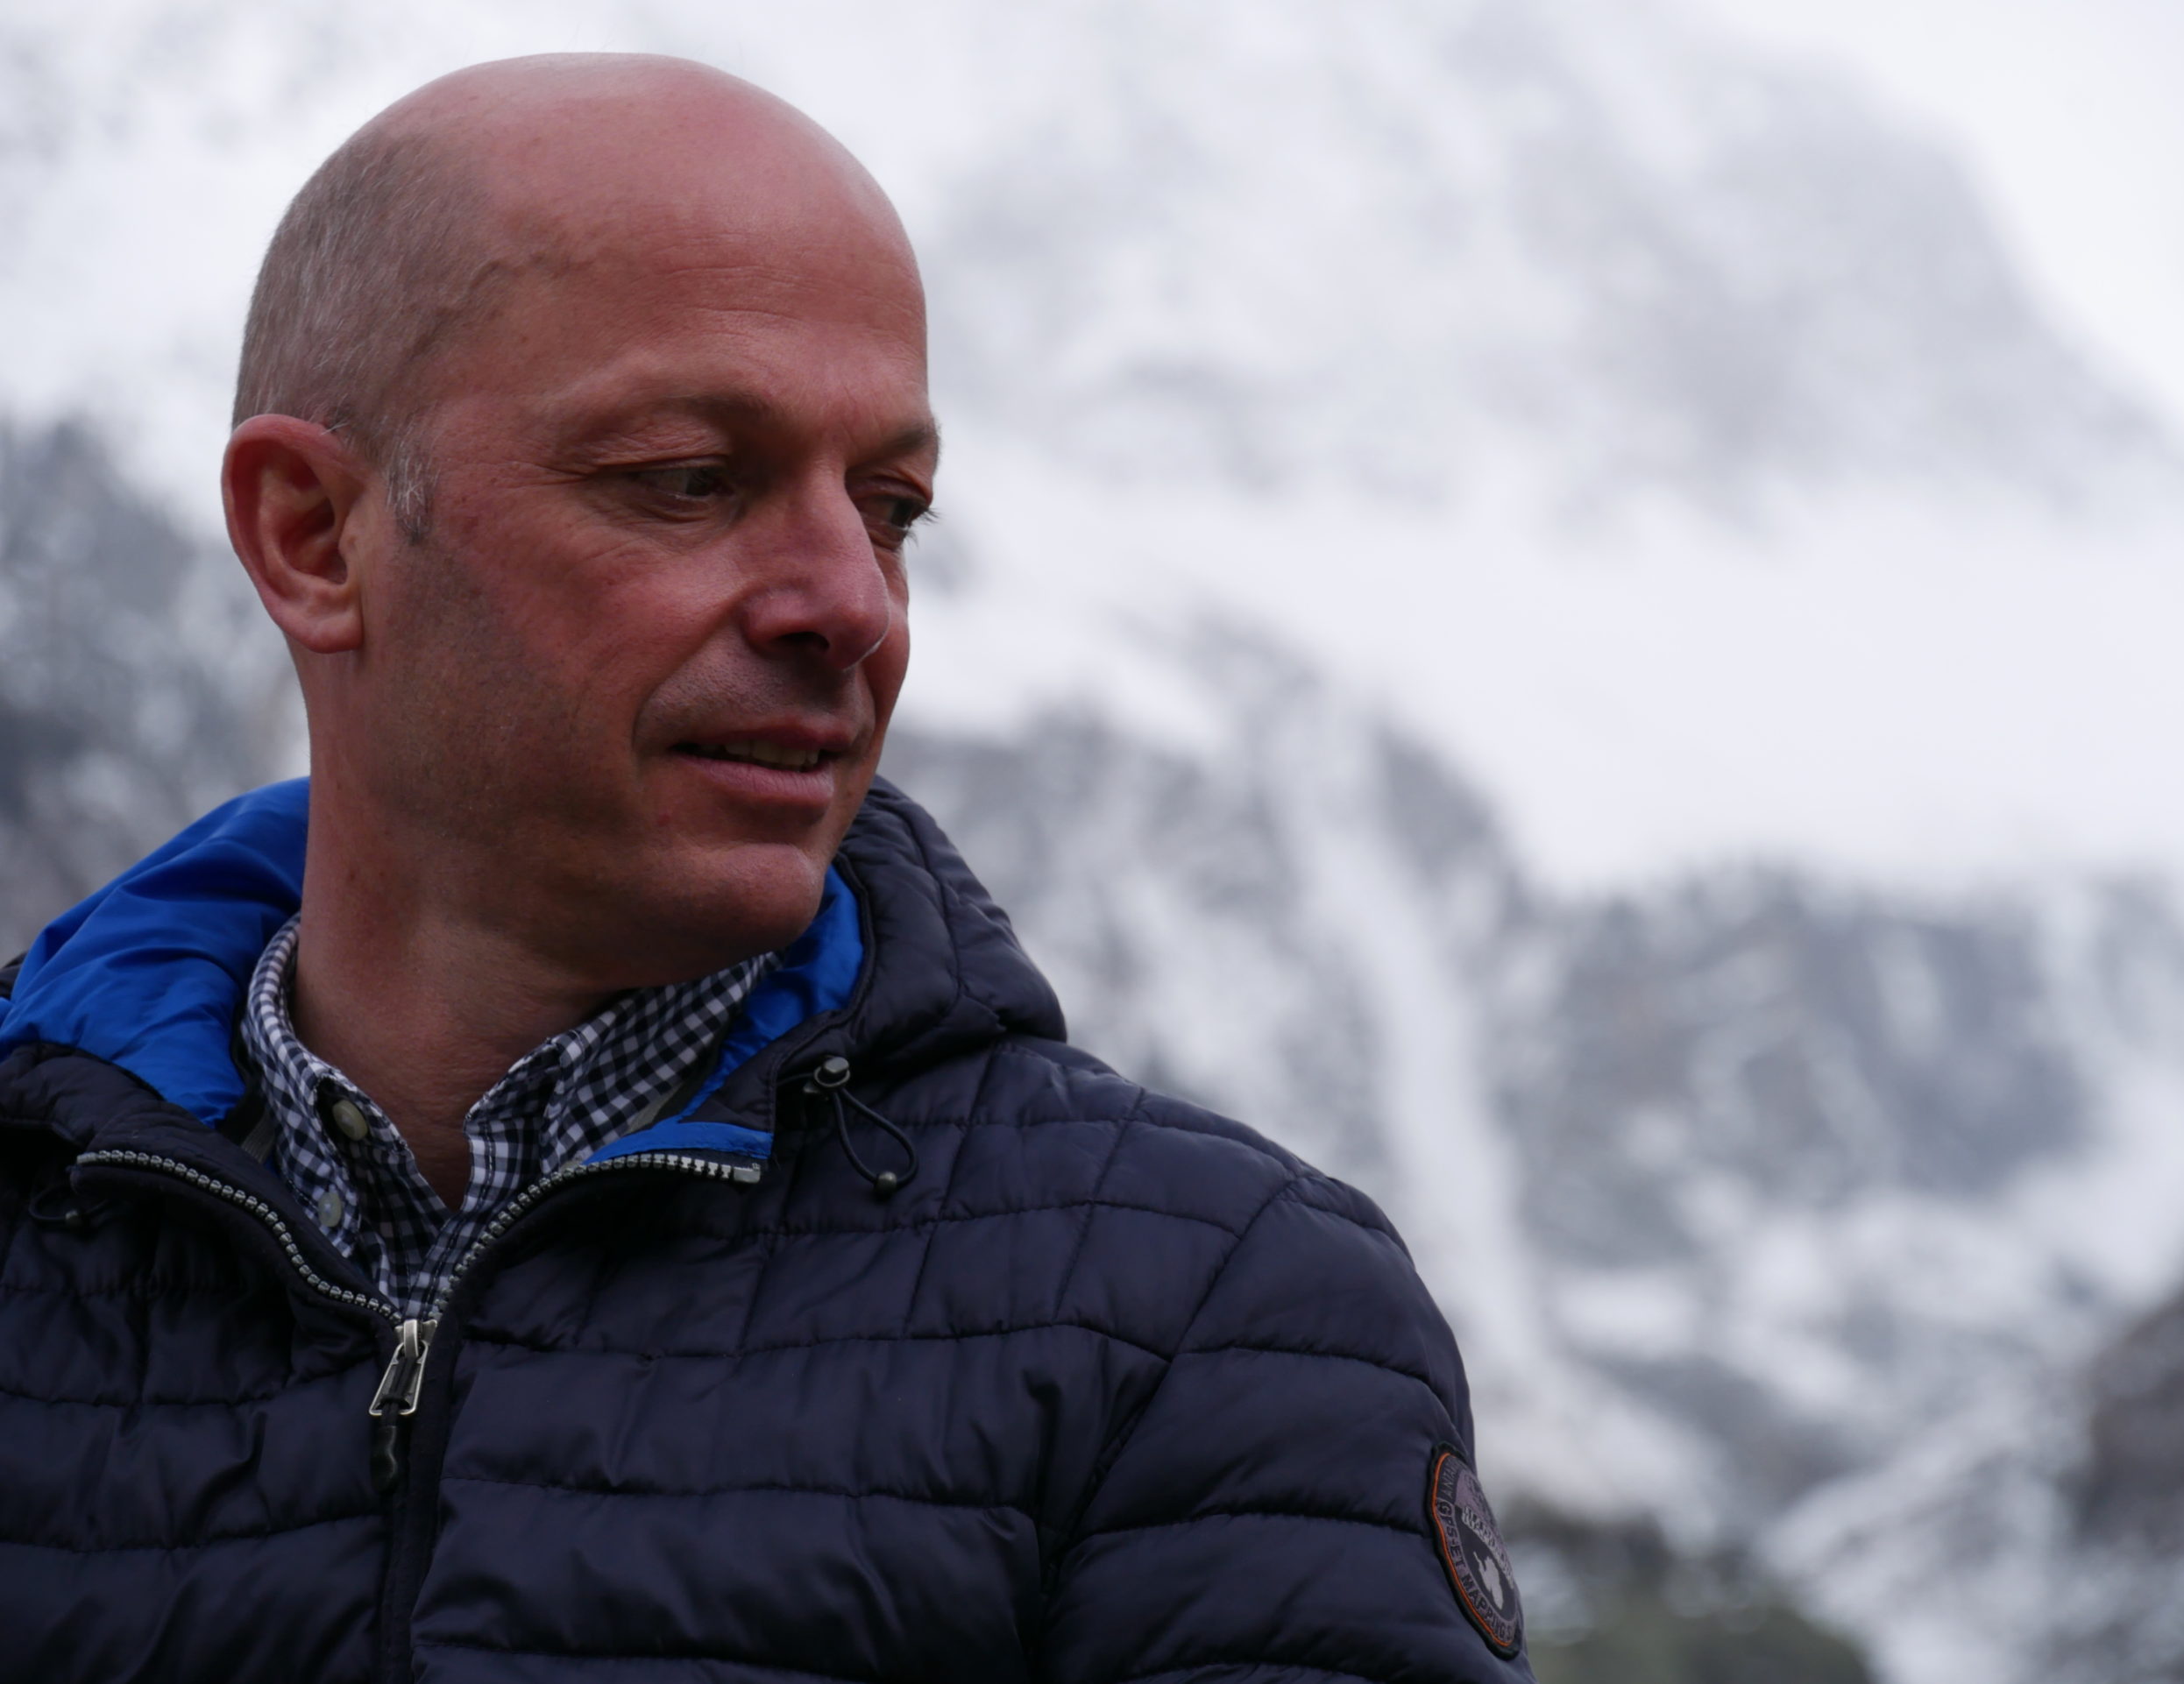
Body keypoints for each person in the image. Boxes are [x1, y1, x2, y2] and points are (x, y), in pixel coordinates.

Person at [0, 53, 1535, 1683]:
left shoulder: (1220, 1324)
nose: (851, 603)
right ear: (315, 534)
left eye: (891, 508)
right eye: (690, 479)